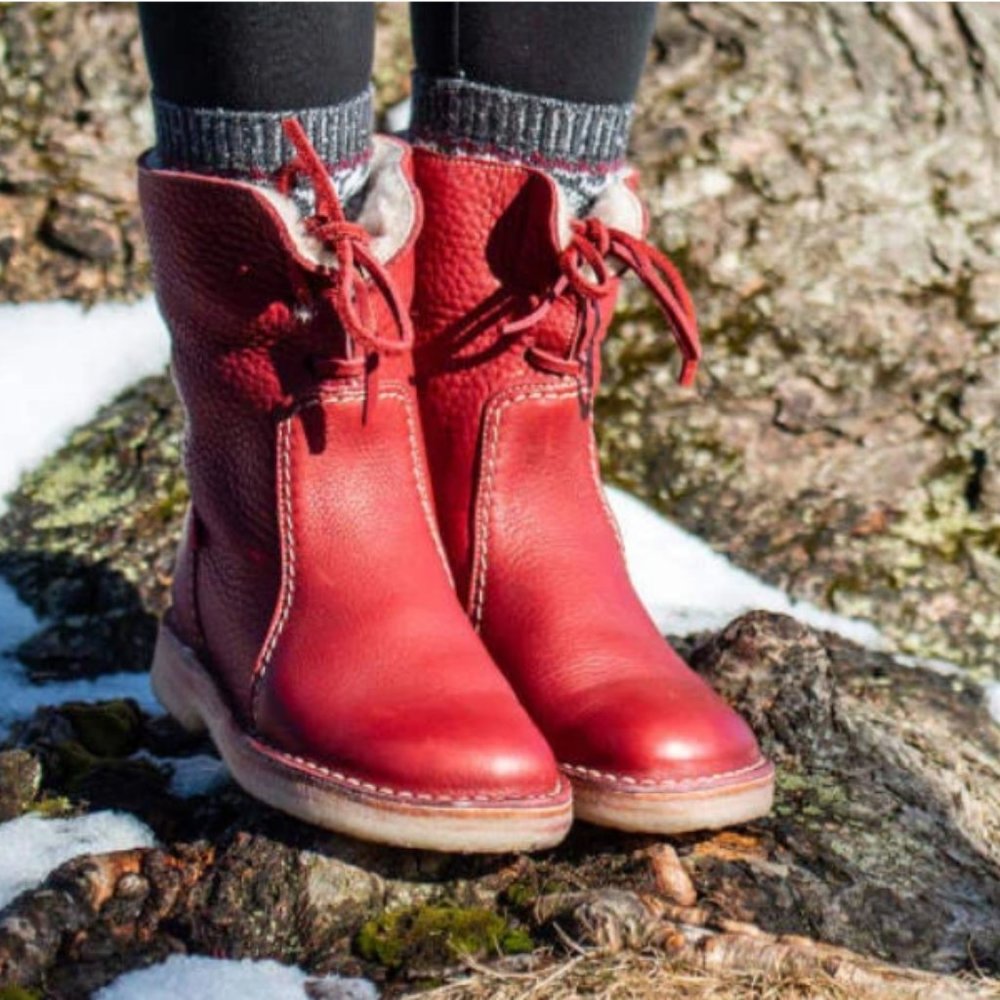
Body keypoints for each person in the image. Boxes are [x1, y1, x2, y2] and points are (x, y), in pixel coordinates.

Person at [138, 2, 774, 853]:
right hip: (287, 510)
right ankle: (248, 593)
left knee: (546, 162)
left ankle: (465, 572)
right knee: (295, 190)